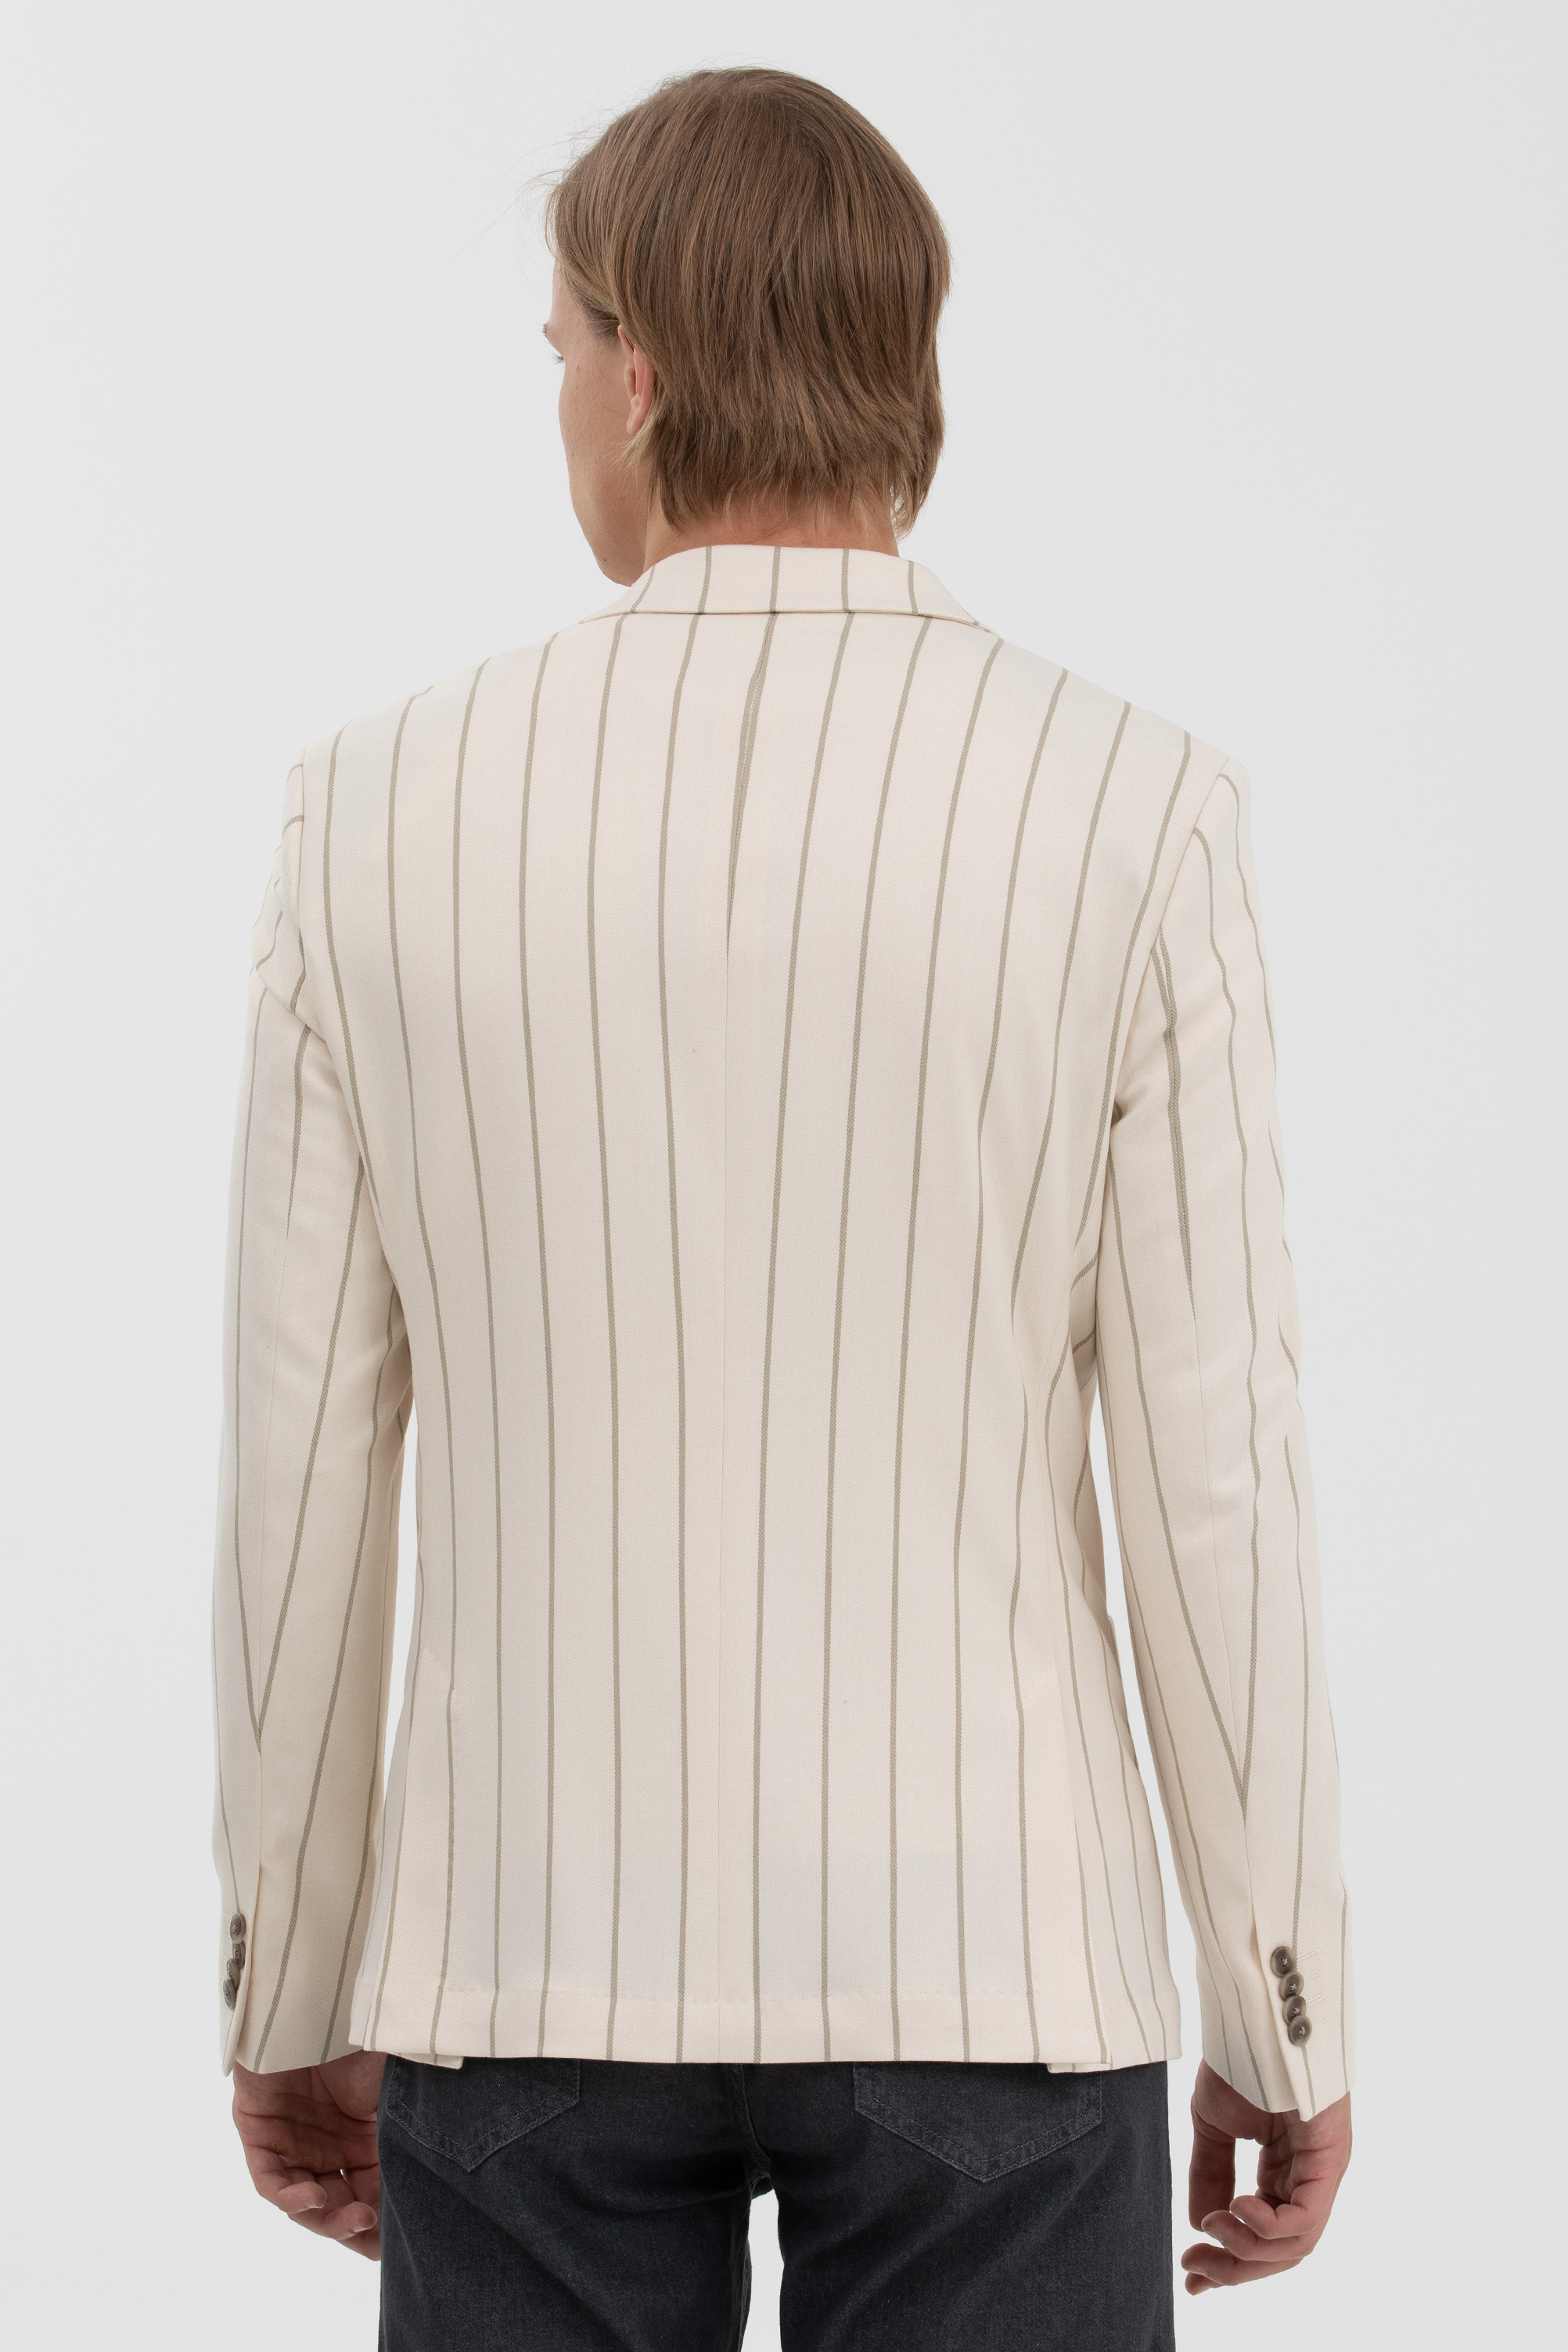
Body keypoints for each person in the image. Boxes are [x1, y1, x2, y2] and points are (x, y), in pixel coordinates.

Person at [211, 65, 1353, 2350]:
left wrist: (287, 1974)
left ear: (641, 369)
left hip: (518, 1969)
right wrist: (1279, 1988)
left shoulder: (377, 813)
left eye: (557, 352)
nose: (558, 407)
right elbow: (1212, 1474)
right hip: (995, 1966)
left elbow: (302, 1466)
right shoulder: (1131, 810)